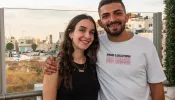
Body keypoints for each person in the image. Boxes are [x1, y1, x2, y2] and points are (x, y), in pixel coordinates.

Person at [43, 0, 166, 100]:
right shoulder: (96, 43)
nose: (112, 19)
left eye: (117, 13)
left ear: (127, 17)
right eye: (106, 16)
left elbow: (156, 87)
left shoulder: (146, 45)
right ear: (100, 23)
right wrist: (49, 62)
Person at [43, 14, 100, 100]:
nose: (88, 36)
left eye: (91, 32)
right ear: (71, 34)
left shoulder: (93, 64)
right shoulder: (55, 66)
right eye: (82, 30)